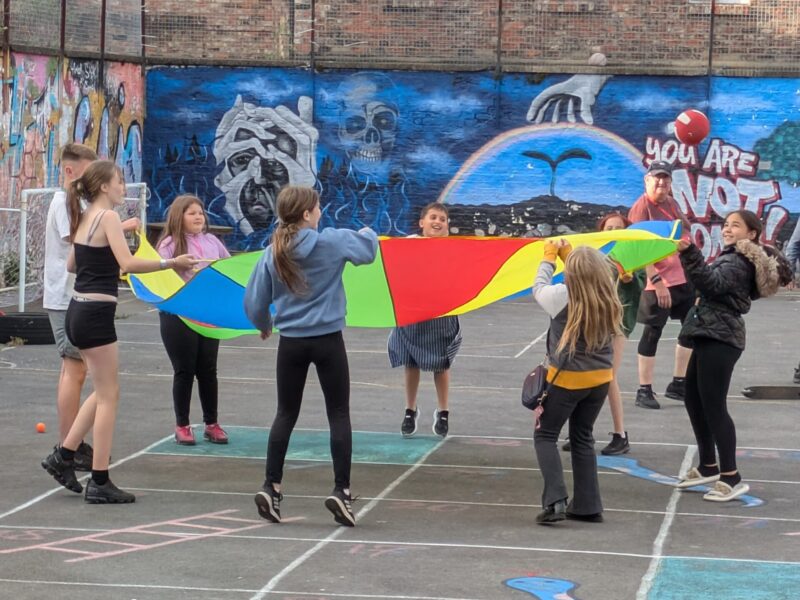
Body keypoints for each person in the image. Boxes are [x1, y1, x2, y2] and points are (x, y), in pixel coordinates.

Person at [41, 160, 197, 503]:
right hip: (95, 315)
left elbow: (72, 264)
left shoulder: (85, 218)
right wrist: (170, 262)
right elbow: (127, 265)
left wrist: (104, 255)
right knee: (110, 396)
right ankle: (99, 481)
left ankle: (63, 456)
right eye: (119, 181)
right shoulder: (108, 217)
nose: (123, 187)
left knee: (103, 389)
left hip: (77, 311)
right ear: (102, 187)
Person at [244, 186, 378, 527]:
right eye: (317, 207)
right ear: (306, 214)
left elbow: (254, 302)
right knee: (338, 413)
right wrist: (367, 231)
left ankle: (271, 485)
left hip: (291, 342)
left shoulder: (273, 252)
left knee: (285, 413)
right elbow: (368, 250)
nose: (320, 211)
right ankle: (341, 490)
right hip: (328, 340)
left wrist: (265, 324)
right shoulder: (331, 241)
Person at [674, 210, 788, 502]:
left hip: (721, 338)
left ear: (751, 234)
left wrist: (690, 253)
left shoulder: (739, 261)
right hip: (709, 332)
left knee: (713, 406)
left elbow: (711, 283)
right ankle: (708, 465)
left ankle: (731, 477)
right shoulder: (732, 256)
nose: (727, 229)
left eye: (735, 225)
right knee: (693, 397)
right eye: (725, 224)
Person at [43, 143, 140, 471]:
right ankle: (70, 449)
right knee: (81, 375)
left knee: (93, 380)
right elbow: (82, 251)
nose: (120, 186)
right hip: (74, 300)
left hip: (79, 300)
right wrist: (168, 262)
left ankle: (69, 448)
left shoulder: (87, 211)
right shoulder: (71, 206)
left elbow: (77, 256)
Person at [532, 240, 623, 525]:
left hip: (567, 379)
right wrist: (571, 256)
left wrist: (549, 259)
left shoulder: (561, 295)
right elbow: (592, 274)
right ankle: (588, 505)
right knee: (583, 437)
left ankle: (555, 501)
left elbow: (538, 288)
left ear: (570, 273)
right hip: (599, 379)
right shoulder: (608, 291)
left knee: (545, 435)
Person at [562, 213, 643, 455]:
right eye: (609, 227)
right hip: (593, 322)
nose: (614, 231)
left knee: (607, 376)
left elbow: (638, 288)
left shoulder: (631, 256)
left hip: (616, 324)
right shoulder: (594, 254)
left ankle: (620, 434)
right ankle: (579, 431)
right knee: (584, 374)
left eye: (619, 228)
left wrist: (629, 280)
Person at [157, 195, 231, 445]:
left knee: (208, 370)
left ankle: (212, 423)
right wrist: (175, 266)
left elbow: (228, 269)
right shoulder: (169, 244)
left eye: (201, 212)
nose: (199, 216)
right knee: (185, 370)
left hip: (206, 315)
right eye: (192, 213)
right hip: (178, 316)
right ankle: (183, 425)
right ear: (179, 217)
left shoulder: (212, 242)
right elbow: (158, 276)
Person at [389, 202, 462, 438]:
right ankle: (410, 410)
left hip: (441, 313)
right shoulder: (407, 245)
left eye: (442, 218)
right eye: (433, 217)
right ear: (422, 222)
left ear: (447, 225)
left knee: (441, 364)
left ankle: (443, 411)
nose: (437, 222)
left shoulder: (454, 249)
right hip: (412, 312)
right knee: (411, 363)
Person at [627, 160, 693, 409]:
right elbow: (638, 249)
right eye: (657, 178)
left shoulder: (672, 203)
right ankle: (644, 390)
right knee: (653, 332)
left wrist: (684, 242)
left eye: (666, 178)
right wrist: (657, 281)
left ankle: (678, 383)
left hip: (680, 277)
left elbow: (685, 229)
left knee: (692, 325)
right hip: (657, 282)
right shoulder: (641, 208)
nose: (662, 182)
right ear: (647, 181)